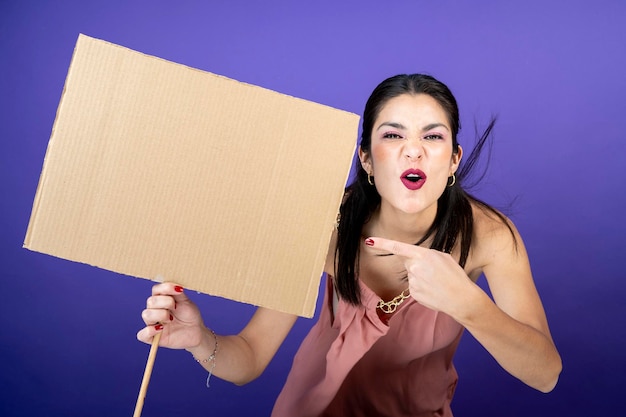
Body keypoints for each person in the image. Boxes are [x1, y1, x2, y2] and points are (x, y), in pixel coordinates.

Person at [137, 74, 562, 416]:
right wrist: (197, 338)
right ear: (365, 160)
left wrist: (470, 305)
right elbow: (248, 359)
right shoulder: (323, 224)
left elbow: (545, 375)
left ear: (453, 159)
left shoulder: (489, 235)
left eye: (432, 137)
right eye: (393, 136)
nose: (413, 151)